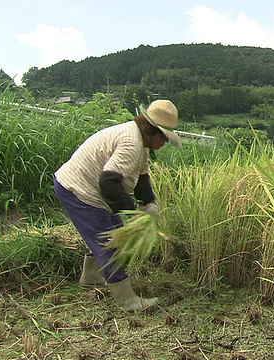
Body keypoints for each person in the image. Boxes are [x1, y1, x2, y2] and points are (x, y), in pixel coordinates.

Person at [53, 99, 181, 311]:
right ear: (152, 131)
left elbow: (141, 178)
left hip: (90, 189)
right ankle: (127, 301)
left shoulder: (140, 143)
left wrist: (149, 203)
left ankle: (92, 276)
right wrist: (133, 212)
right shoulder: (131, 143)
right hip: (78, 189)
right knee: (110, 243)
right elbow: (108, 183)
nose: (164, 143)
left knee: (115, 234)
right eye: (164, 139)